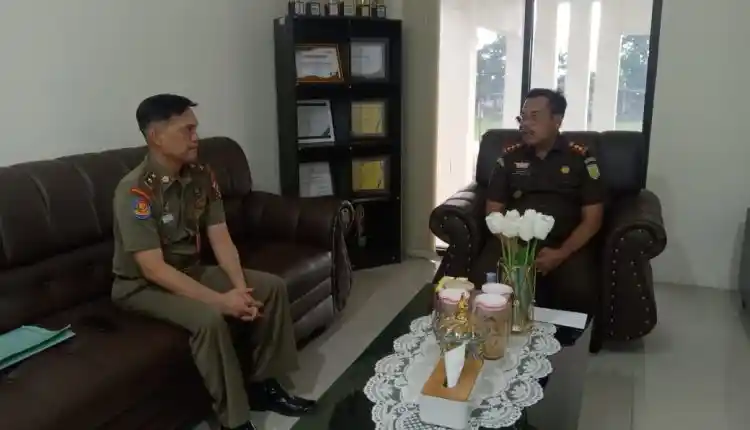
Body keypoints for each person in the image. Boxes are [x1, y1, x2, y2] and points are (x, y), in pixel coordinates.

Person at [110, 94, 315, 430]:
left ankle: (263, 387)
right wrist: (220, 302)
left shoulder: (202, 175)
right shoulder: (135, 191)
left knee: (270, 288)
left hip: (189, 271)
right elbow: (152, 268)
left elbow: (220, 236)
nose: (196, 138)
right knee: (209, 319)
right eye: (187, 130)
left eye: (196, 129)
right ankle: (235, 421)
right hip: (141, 286)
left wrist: (239, 289)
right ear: (156, 137)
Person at [475, 88, 605, 314]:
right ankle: (494, 331)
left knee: (579, 290)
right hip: (513, 242)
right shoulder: (509, 158)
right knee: (484, 278)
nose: (525, 124)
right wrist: (516, 252)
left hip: (564, 242)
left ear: (557, 120)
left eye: (534, 117)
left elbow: (593, 219)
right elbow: (493, 212)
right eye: (522, 117)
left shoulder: (581, 158)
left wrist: (561, 253)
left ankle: (562, 335)